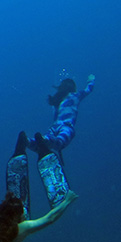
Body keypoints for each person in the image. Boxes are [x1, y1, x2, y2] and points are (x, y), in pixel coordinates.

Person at [19, 75, 95, 209]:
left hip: (54, 127)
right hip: (66, 125)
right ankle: (44, 141)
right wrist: (91, 79)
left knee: (45, 142)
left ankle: (30, 141)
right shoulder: (75, 95)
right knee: (60, 142)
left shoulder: (56, 102)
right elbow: (89, 89)